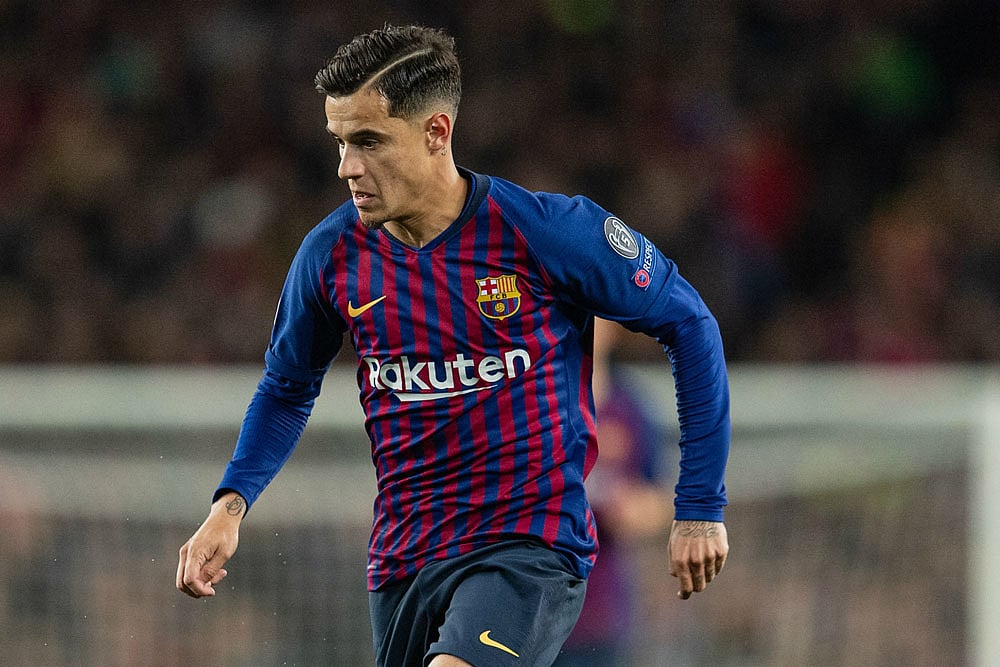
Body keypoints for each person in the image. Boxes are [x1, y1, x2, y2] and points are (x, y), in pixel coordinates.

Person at [176, 24, 730, 667]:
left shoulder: (544, 232)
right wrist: (230, 505)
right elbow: (286, 387)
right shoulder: (331, 255)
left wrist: (699, 507)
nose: (347, 166)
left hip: (528, 547)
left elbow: (690, 323)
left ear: (436, 131)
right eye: (340, 142)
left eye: (369, 141)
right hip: (404, 558)